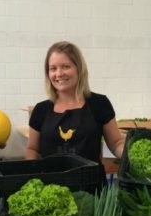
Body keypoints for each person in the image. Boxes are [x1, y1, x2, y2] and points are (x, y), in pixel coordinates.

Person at [26, 41, 126, 182]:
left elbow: (116, 143)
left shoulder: (99, 104)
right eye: (53, 68)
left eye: (66, 67)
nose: (59, 74)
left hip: (91, 189)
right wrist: (34, 173)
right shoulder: (41, 110)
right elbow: (32, 149)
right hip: (51, 187)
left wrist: (130, 153)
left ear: (79, 68)